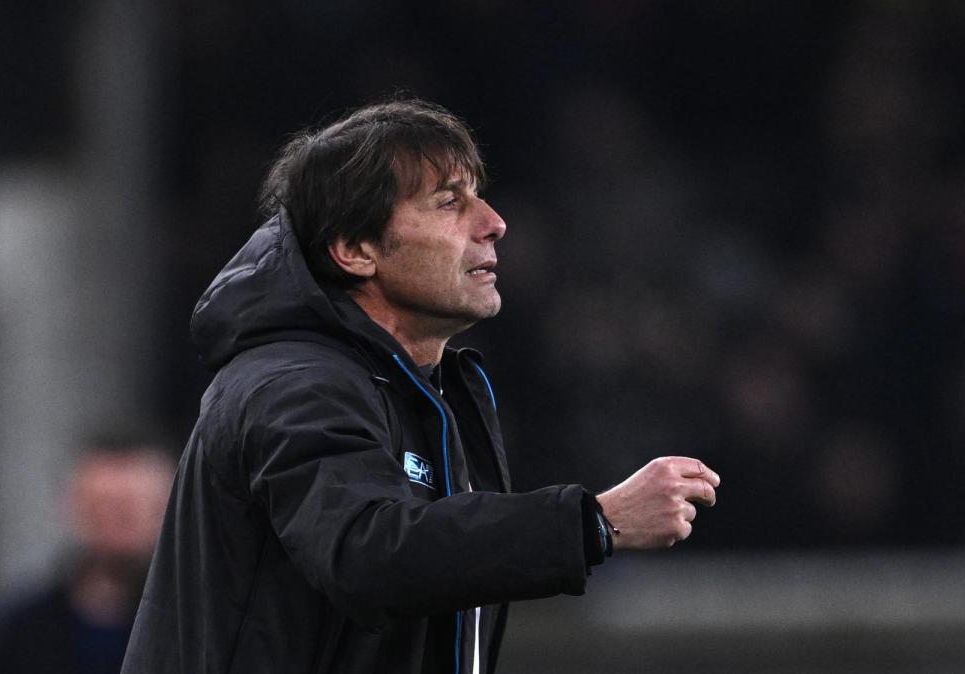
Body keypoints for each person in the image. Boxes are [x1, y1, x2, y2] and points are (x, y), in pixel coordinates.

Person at [121, 98, 720, 674]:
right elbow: (367, 551)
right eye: (449, 202)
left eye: (478, 195)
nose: (493, 223)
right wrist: (595, 521)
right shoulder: (294, 384)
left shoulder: (425, 391)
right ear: (355, 249)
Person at [0, 436, 175, 674]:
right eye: (99, 510)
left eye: (127, 512)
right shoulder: (21, 631)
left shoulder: (194, 625)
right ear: (73, 508)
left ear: (166, 510)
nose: (112, 527)